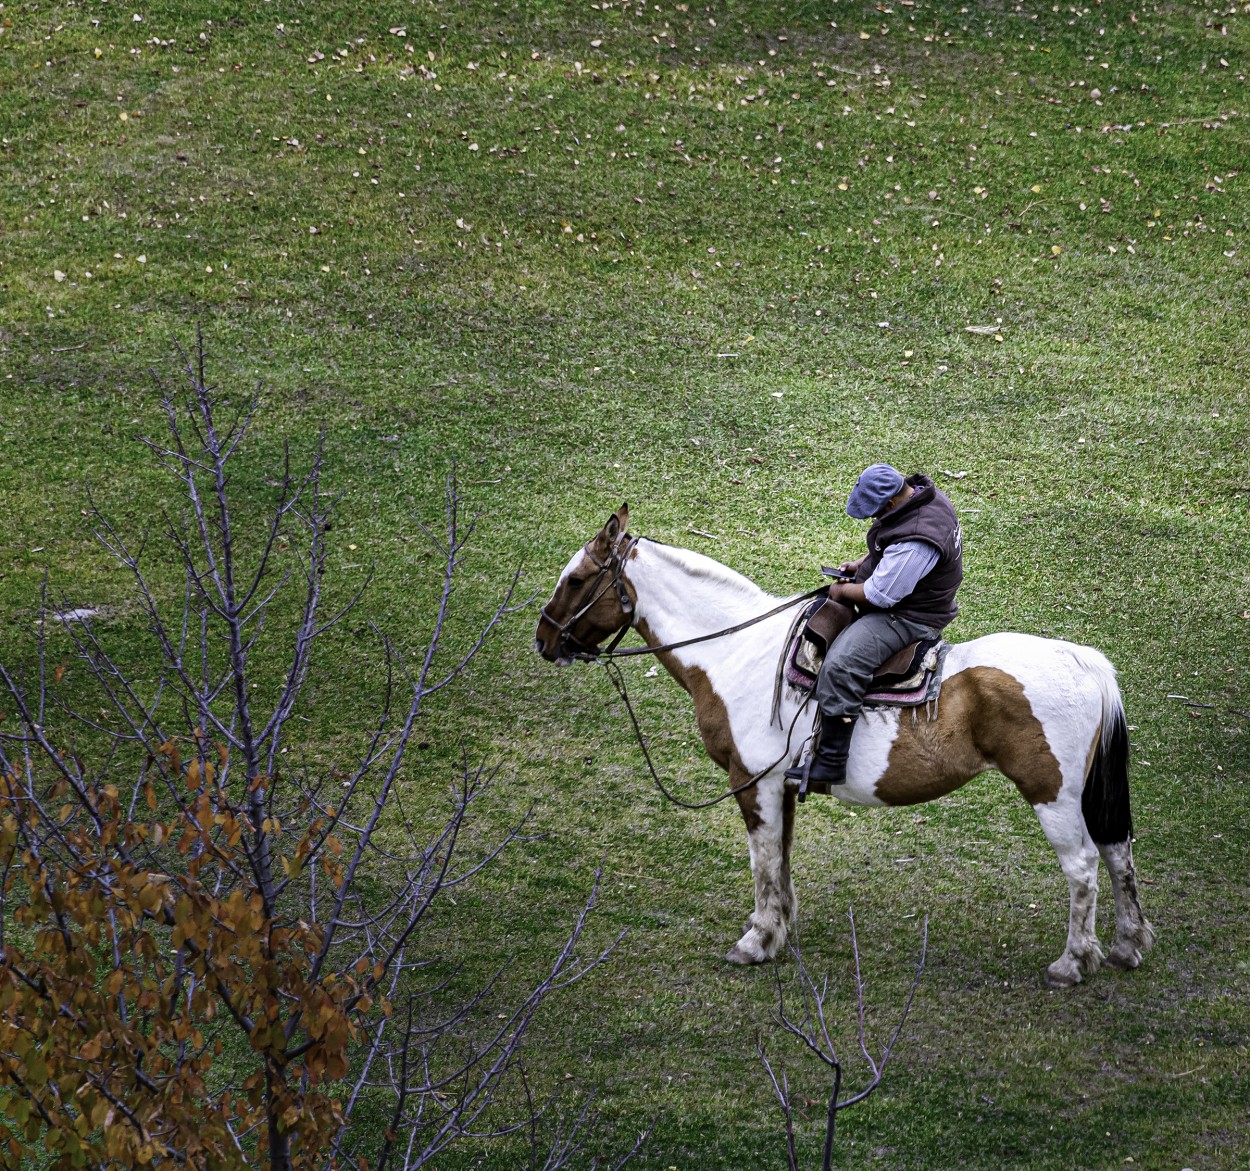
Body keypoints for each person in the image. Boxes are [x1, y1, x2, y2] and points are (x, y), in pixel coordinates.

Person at [786, 464, 964, 790]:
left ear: (892, 502)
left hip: (911, 617)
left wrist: (841, 591)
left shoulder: (918, 539)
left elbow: (880, 595)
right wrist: (861, 565)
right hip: (911, 598)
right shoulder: (924, 501)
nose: (872, 520)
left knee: (841, 665)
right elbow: (892, 556)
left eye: (874, 513)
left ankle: (831, 762)